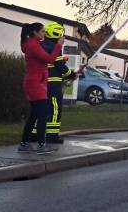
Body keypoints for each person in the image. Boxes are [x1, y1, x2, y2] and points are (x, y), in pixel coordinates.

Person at [18, 22, 63, 155]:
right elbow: (49, 59)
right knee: (43, 115)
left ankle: (24, 144)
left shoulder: (32, 43)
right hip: (36, 84)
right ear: (35, 33)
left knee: (34, 115)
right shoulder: (33, 45)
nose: (45, 33)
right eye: (43, 31)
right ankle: (41, 145)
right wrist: (58, 44)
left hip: (35, 83)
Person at [39, 22, 75, 144]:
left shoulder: (42, 45)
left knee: (40, 109)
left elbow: (53, 62)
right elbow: (59, 66)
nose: (63, 37)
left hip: (41, 83)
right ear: (55, 33)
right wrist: (71, 73)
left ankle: (33, 135)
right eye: (61, 34)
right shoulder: (55, 47)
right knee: (54, 109)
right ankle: (52, 136)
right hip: (53, 85)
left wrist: (62, 60)